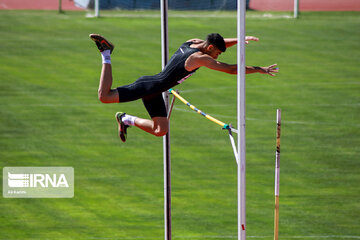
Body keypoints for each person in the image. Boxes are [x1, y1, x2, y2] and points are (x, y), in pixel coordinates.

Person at [89, 33, 278, 142]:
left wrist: (238, 38)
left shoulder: (193, 42)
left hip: (155, 90)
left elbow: (218, 43)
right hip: (149, 86)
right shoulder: (200, 58)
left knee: (160, 130)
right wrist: (260, 69)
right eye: (218, 53)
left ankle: (125, 119)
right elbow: (231, 69)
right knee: (104, 96)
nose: (217, 57)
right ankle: (106, 53)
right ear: (211, 48)